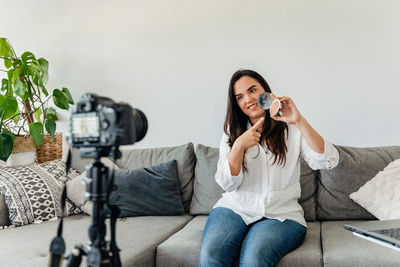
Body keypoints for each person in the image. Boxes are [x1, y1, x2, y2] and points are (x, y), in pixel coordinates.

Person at [199, 69, 340, 267]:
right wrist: (239, 146)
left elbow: (326, 161)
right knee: (211, 257)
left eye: (252, 90)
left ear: (266, 92)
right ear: (236, 104)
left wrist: (298, 120)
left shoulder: (291, 129)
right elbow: (228, 184)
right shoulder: (232, 133)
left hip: (281, 215)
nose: (248, 99)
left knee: (254, 260)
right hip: (235, 208)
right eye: (240, 97)